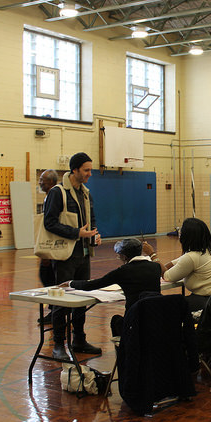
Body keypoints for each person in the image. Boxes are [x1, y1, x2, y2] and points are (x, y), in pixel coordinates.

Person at [44, 152, 101, 360]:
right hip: (65, 256)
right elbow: (49, 223)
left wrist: (94, 234)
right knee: (63, 300)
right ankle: (59, 343)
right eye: (86, 170)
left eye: (90, 169)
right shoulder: (57, 193)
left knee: (82, 298)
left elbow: (91, 219)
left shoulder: (86, 193)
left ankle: (79, 339)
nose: (89, 174)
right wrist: (76, 233)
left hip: (83, 254)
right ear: (74, 170)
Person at [144, 218, 211, 312]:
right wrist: (165, 266)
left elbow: (167, 276)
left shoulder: (191, 258)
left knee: (168, 306)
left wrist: (152, 254)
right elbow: (177, 262)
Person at [61, 238, 161, 308]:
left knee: (115, 321)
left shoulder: (123, 271)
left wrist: (71, 283)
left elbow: (92, 285)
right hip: (154, 313)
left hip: (134, 316)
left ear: (124, 256)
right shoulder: (156, 267)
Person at [37, 169, 58, 324]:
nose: (40, 182)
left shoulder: (54, 196)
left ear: (51, 182)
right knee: (46, 276)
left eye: (42, 180)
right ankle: (54, 309)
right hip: (47, 243)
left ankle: (56, 310)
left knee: (48, 275)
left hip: (52, 245)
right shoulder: (47, 197)